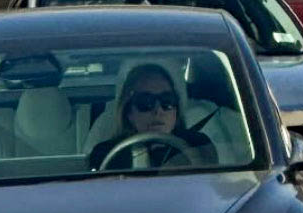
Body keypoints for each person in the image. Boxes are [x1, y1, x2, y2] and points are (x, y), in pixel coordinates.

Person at [88, 61, 216, 169]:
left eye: (167, 101)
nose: (158, 110)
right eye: (146, 102)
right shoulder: (106, 154)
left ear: (176, 110)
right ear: (128, 112)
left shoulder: (199, 145)